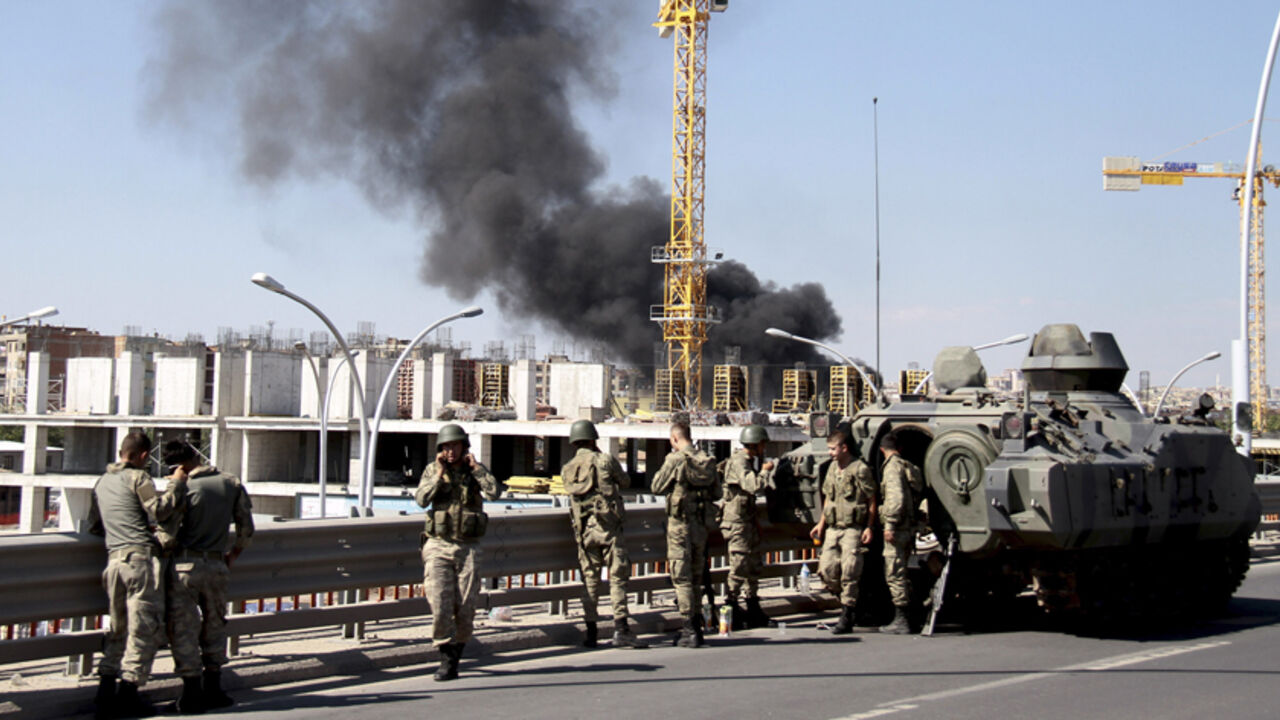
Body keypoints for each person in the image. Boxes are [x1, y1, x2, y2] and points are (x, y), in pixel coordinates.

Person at [85, 431, 185, 719]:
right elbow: (160, 510)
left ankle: (104, 692)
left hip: (113, 561)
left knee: (117, 628)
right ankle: (129, 693)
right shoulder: (138, 478)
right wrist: (175, 485)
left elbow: (95, 524)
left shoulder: (102, 481)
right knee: (143, 629)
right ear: (143, 455)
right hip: (140, 560)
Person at [160, 440, 255, 713]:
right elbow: (246, 527)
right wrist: (233, 555)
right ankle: (215, 687)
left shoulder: (184, 486)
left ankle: (191, 693)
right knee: (215, 624)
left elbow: (167, 532)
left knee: (184, 629)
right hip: (217, 565)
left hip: (185, 568)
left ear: (178, 465)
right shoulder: (230, 482)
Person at [415, 424, 500, 681]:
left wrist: (477, 470)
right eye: (446, 447)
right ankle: (445, 655)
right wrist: (439, 473)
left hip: (467, 546)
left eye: (455, 446)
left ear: (464, 447)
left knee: (465, 606)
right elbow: (421, 499)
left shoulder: (474, 471)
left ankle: (456, 655)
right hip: (438, 545)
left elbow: (495, 492)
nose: (451, 451)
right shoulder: (433, 470)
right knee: (440, 604)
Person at [560, 419, 646, 649]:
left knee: (590, 580)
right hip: (609, 529)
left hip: (584, 531)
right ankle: (621, 629)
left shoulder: (568, 468)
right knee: (617, 578)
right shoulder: (604, 460)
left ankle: (591, 632)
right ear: (592, 439)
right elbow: (626, 481)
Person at [651, 421, 720, 648]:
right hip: (700, 525)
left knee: (682, 578)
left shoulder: (675, 459)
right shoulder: (706, 460)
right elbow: (718, 492)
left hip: (679, 527)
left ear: (674, 438)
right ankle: (698, 628)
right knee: (697, 577)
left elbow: (657, 487)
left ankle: (689, 628)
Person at [808, 430, 878, 635]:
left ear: (844, 448)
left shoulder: (859, 469)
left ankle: (847, 614)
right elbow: (829, 497)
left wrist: (869, 526)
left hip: (852, 528)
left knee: (850, 571)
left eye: (833, 449)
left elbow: (871, 499)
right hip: (833, 527)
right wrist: (821, 523)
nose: (830, 453)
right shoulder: (831, 468)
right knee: (827, 570)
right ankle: (847, 602)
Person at [720, 424, 775, 629]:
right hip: (737, 523)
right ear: (755, 444)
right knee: (739, 564)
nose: (764, 448)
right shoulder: (740, 461)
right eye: (762, 444)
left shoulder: (748, 461)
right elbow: (753, 486)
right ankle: (731, 605)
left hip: (747, 521)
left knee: (753, 564)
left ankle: (753, 606)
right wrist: (764, 472)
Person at [877, 433, 922, 635]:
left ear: (881, 449)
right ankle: (912, 614)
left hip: (898, 528)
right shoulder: (907, 466)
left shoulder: (892, 468)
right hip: (909, 526)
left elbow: (896, 498)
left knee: (894, 573)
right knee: (902, 571)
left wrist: (890, 525)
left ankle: (902, 619)